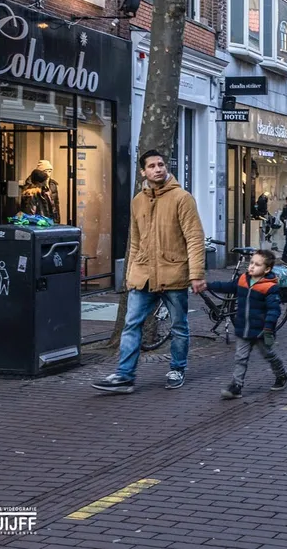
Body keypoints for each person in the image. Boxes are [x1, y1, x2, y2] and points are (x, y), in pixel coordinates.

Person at [92, 149, 206, 394]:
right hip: (143, 275)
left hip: (173, 274)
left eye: (161, 164)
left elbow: (195, 238)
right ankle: (124, 376)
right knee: (131, 325)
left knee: (179, 326)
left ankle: (177, 368)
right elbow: (135, 240)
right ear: (143, 172)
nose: (158, 169)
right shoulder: (138, 201)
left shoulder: (182, 198)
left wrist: (196, 274)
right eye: (152, 166)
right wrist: (130, 274)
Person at [213, 249, 287, 399]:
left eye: (257, 264)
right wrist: (208, 285)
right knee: (240, 358)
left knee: (269, 355)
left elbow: (274, 310)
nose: (252, 267)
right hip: (243, 328)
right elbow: (228, 287)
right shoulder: (243, 279)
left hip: (261, 331)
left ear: (267, 269)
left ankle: (282, 375)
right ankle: (236, 386)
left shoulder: (269, 287)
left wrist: (268, 328)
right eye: (251, 263)